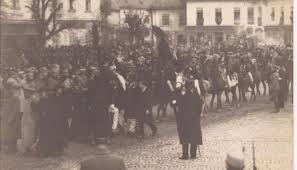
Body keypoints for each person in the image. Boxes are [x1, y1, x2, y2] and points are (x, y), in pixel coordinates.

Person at [173, 81, 203, 160]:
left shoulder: (183, 96)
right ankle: (193, 154)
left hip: (184, 120)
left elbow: (177, 105)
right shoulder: (196, 95)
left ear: (185, 87)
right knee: (194, 136)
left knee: (185, 136)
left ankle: (185, 155)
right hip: (194, 119)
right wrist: (198, 114)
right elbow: (200, 105)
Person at [0, 79, 22, 153]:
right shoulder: (8, 98)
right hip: (6, 117)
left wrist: (11, 118)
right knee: (8, 133)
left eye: (11, 89)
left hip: (12, 118)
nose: (9, 91)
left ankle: (13, 148)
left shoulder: (16, 98)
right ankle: (10, 148)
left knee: (13, 134)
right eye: (8, 89)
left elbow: (16, 110)